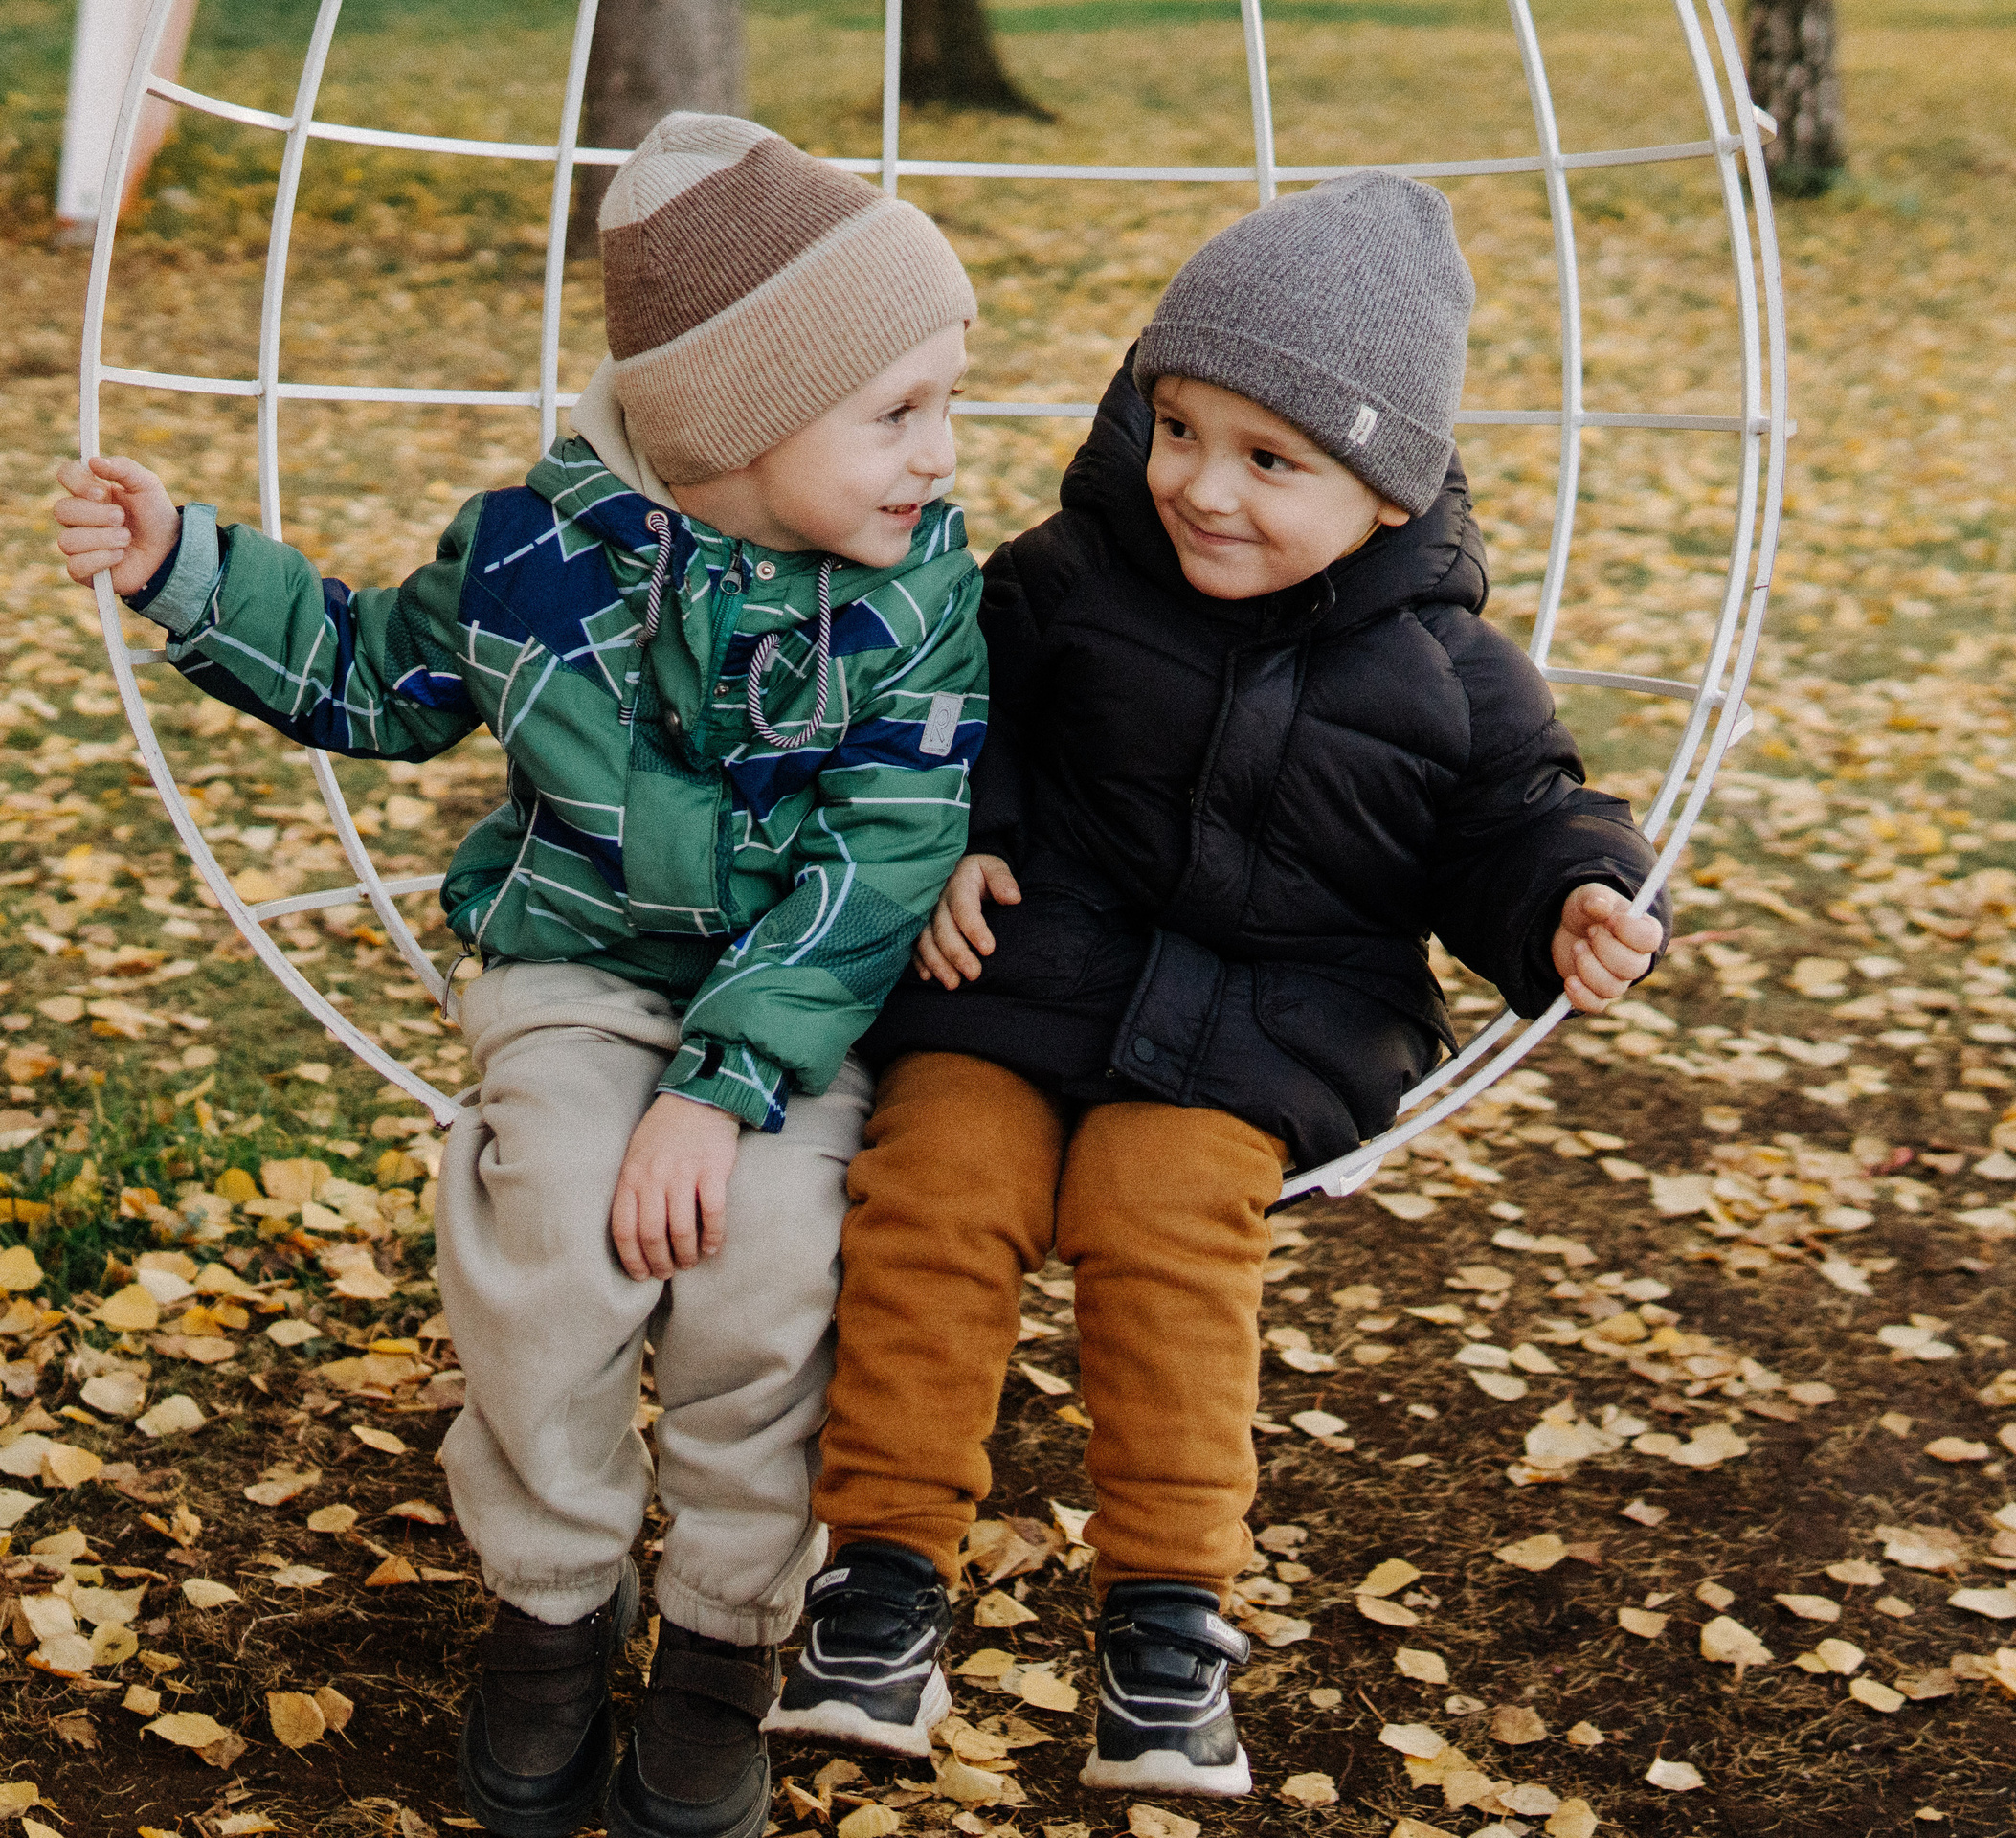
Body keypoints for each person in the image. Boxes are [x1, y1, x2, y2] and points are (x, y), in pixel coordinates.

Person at [53, 113, 987, 1838]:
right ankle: (557, 1599)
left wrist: (719, 1095)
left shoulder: (914, 598)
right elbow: (373, 678)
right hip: (571, 963)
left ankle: (723, 1636)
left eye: (946, 401)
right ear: (732, 423)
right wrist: (189, 566)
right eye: (898, 412)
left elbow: (884, 859)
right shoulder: (532, 559)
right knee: (553, 1225)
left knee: (767, 1257)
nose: (943, 452)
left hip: (793, 1004)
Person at [767, 172, 1670, 1799]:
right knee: (935, 1187)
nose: (1202, 488)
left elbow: (1516, 821)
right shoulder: (1061, 580)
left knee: (1161, 1219)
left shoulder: (1447, 673)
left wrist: (1573, 897)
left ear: (1388, 493)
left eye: (1272, 460)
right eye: (1178, 428)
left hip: (1273, 1022)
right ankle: (880, 1580)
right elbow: (946, 718)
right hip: (1020, 972)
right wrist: (964, 835)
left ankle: (1169, 1619)